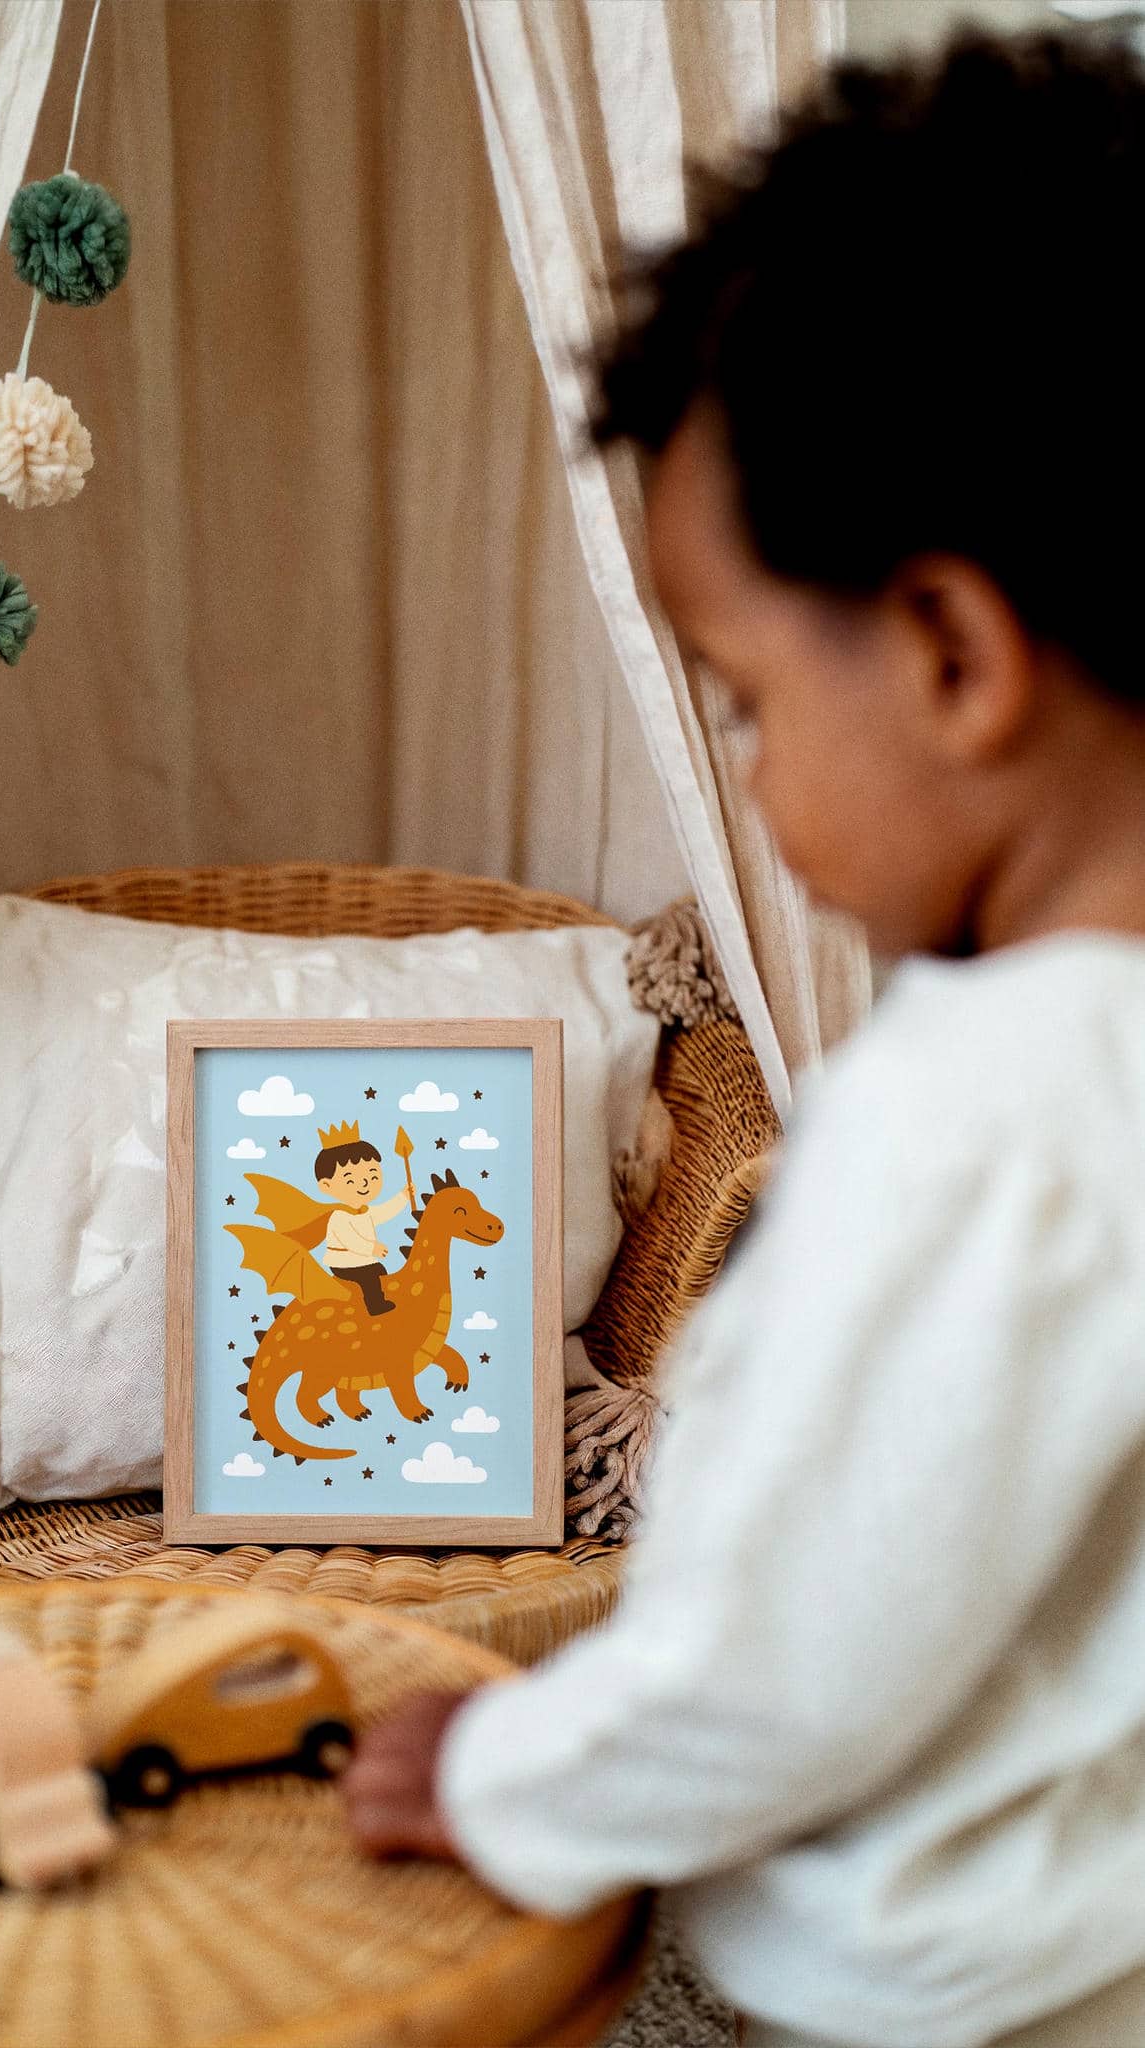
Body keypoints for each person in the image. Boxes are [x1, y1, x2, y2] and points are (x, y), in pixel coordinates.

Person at [342, 25, 1145, 2047]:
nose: (755, 781)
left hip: (930, 1997)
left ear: (952, 653)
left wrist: (502, 1775)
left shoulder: (982, 1110)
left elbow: (787, 1660)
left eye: (748, 703)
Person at [314, 1120, 409, 1316]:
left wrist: (404, 1196)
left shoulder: (365, 1211)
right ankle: (375, 1307)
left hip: (362, 1260)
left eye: (373, 1176)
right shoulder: (339, 1216)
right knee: (370, 1278)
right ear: (326, 1186)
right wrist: (371, 1248)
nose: (365, 1183)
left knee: (379, 1271)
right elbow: (351, 1240)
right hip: (343, 1262)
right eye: (350, 1180)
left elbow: (385, 1211)